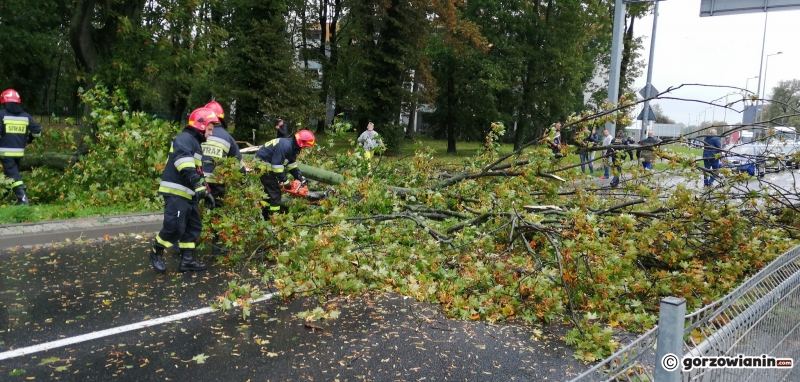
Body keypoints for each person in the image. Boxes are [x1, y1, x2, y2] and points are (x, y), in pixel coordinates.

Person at [150, 107, 219, 274]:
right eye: (210, 129)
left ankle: (187, 261)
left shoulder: (194, 143)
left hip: (189, 194)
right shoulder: (184, 139)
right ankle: (156, 252)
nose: (211, 134)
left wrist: (207, 191)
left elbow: (198, 171)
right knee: (174, 227)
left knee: (193, 227)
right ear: (201, 125)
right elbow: (184, 164)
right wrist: (198, 186)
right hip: (176, 193)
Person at [201, 101, 244, 255]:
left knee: (191, 212)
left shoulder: (197, 133)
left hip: (195, 180)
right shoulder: (227, 137)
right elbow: (238, 164)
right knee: (218, 213)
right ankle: (217, 248)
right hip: (216, 182)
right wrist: (243, 181)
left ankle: (182, 246)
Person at [255, 129, 315, 219]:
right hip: (263, 167)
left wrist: (300, 177)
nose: (304, 148)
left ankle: (265, 214)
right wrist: (285, 182)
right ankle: (274, 218)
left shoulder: (292, 147)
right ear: (301, 143)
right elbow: (276, 166)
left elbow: (291, 165)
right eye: (305, 147)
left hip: (267, 166)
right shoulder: (286, 146)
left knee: (269, 192)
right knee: (275, 193)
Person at [0, 89, 41, 205]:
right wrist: (30, 138)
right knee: (10, 174)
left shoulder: (2, 115)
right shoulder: (25, 116)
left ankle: (22, 199)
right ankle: (4, 195)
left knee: (13, 175)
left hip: (4, 152)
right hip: (19, 152)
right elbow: (37, 131)